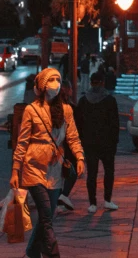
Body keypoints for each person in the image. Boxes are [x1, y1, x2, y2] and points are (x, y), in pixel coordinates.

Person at [11, 68, 86, 258]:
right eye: (51, 80)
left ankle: (32, 251)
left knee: (48, 216)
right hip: (33, 168)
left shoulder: (66, 110)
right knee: (46, 214)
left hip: (54, 169)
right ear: (43, 85)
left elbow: (73, 137)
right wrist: (15, 170)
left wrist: (80, 157)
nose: (56, 83)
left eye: (58, 79)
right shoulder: (31, 110)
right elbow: (22, 142)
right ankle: (53, 254)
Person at [74, 69, 120, 213]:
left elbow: (78, 122)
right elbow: (115, 123)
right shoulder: (109, 100)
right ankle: (107, 199)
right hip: (106, 142)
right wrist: (114, 141)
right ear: (103, 83)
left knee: (92, 173)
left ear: (91, 83)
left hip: (89, 142)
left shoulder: (83, 101)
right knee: (108, 172)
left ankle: (92, 203)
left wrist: (81, 139)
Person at [57, 80, 79, 213]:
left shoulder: (56, 106)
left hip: (60, 145)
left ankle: (60, 199)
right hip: (66, 145)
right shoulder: (70, 108)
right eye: (71, 88)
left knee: (60, 174)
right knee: (71, 172)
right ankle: (62, 197)